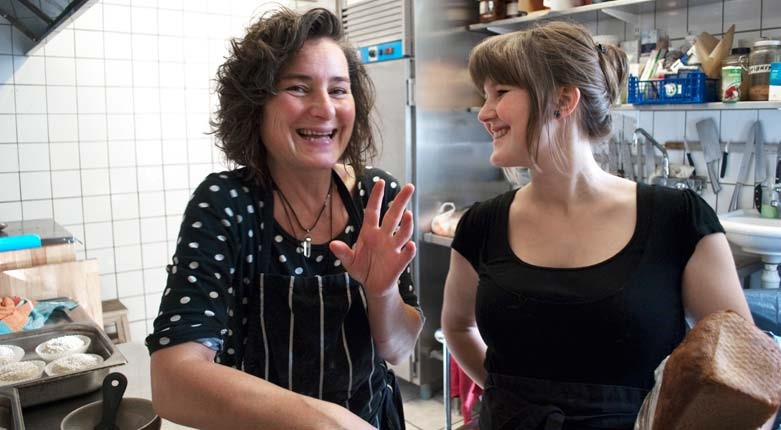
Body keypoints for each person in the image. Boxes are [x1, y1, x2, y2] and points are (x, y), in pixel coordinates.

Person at [441, 21, 759, 429]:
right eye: (485, 96)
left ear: (563, 100)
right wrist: (510, 400)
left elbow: (742, 372)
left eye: (500, 93)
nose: (485, 113)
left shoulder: (678, 220)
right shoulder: (482, 225)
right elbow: (457, 326)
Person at [145, 8, 424, 430]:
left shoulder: (375, 197)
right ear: (255, 103)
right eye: (298, 87)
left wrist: (382, 292)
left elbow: (399, 351)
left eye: (338, 90)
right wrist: (326, 423)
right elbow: (172, 380)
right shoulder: (226, 204)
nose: (324, 108)